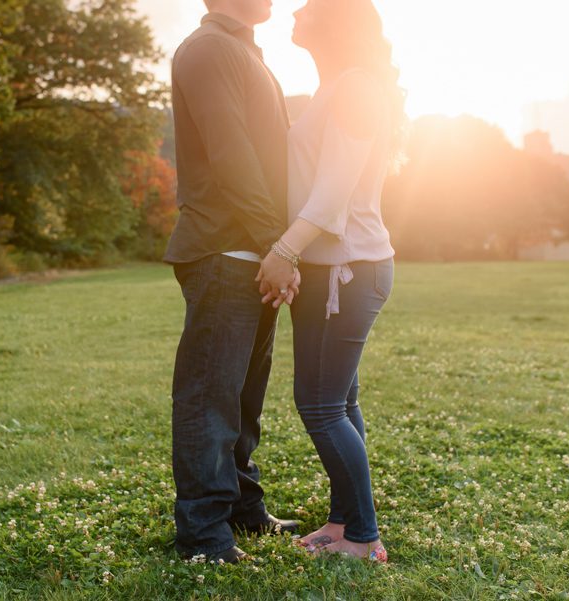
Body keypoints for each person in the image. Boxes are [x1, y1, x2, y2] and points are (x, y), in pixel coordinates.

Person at [255, 0, 408, 563]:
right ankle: (344, 523)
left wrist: (284, 250)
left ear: (336, 22)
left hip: (348, 268)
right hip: (334, 269)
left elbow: (335, 189)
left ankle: (364, 538)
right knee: (339, 399)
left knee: (320, 404)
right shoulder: (338, 86)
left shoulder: (356, 87)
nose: (295, 10)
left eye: (310, 5)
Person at [164, 0, 302, 564]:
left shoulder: (244, 49)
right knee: (209, 397)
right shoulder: (208, 49)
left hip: (254, 254)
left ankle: (245, 509)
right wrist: (279, 243)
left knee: (244, 399)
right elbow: (231, 155)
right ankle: (202, 534)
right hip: (225, 249)